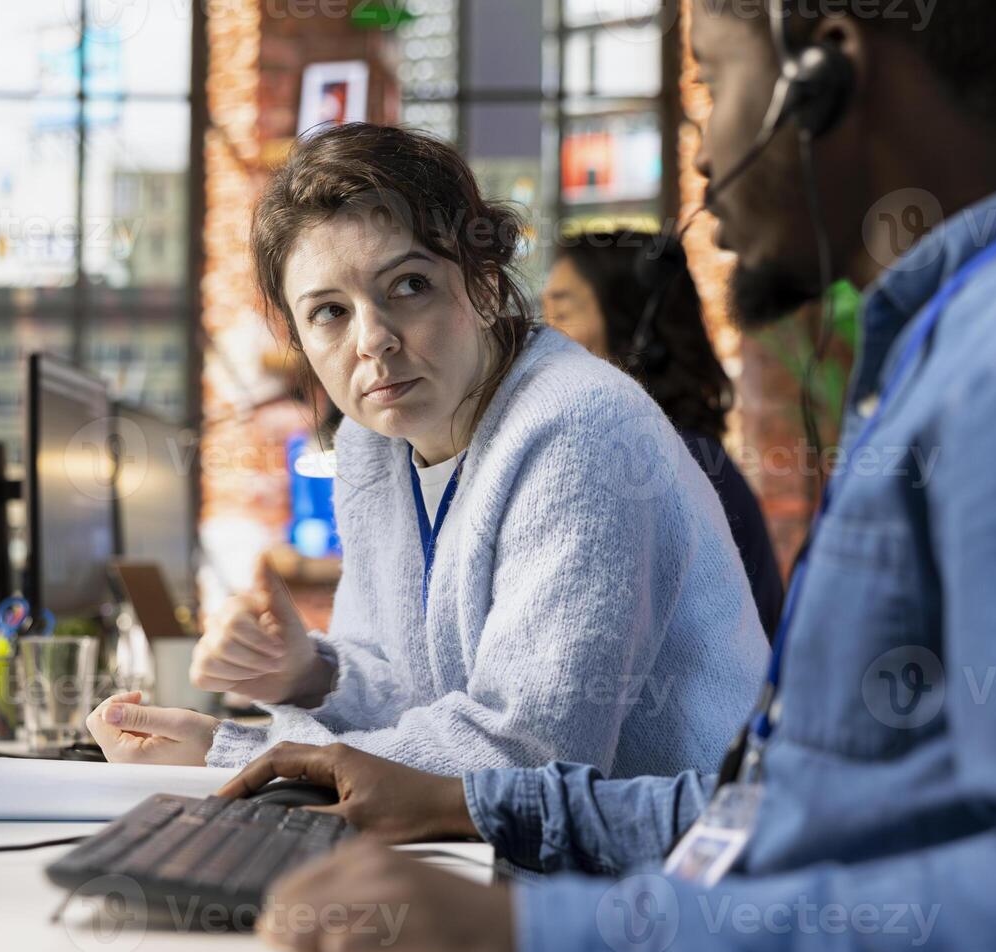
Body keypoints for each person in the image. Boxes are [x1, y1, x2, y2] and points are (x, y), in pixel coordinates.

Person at [212, 1, 996, 952]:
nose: (707, 158)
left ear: (823, 73)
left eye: (713, 82)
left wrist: (536, 940)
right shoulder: (964, 348)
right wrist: (474, 802)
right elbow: (790, 809)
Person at [86, 123, 768, 779]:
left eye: (409, 285)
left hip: (677, 872)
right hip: (517, 856)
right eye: (330, 311)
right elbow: (415, 691)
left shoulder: (581, 428)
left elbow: (526, 756)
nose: (372, 340)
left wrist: (242, 752)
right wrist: (312, 674)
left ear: (484, 283)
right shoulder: (372, 444)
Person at [543, 230, 784, 636]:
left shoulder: (665, 467)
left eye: (562, 314)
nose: (542, 335)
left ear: (635, 333)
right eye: (542, 312)